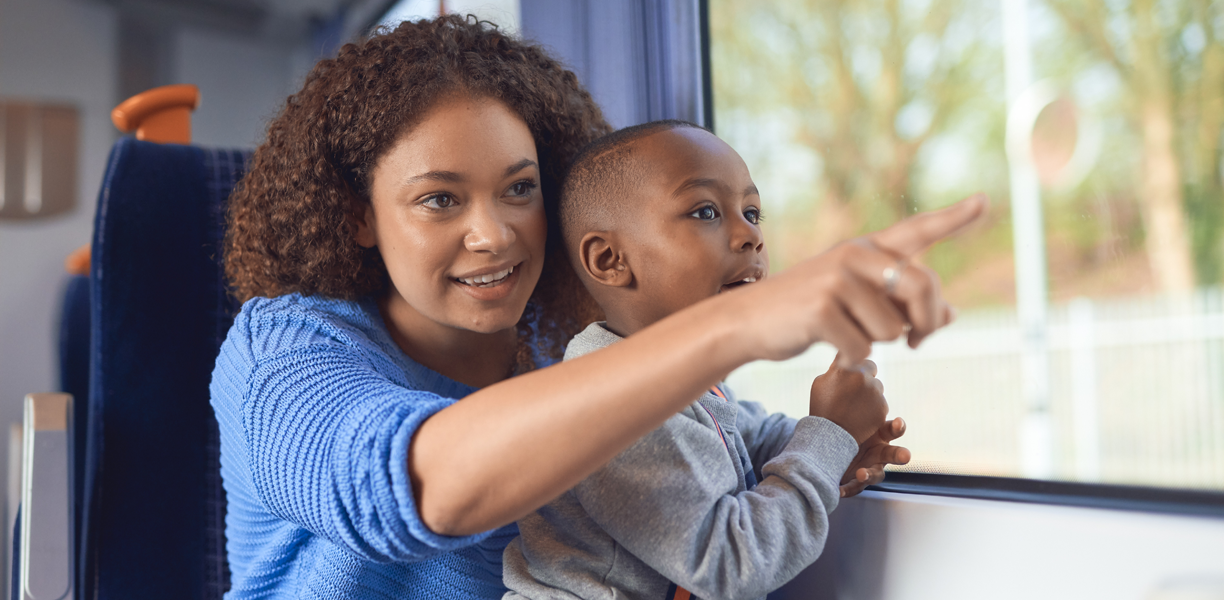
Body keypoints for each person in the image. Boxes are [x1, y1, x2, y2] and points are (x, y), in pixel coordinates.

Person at [212, 15, 986, 600]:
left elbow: (722, 444)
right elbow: (417, 490)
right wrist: (740, 322)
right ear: (357, 216)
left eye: (520, 189)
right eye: (440, 199)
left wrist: (831, 443)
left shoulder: (568, 343)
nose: (494, 234)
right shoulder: (283, 352)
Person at [502, 120, 910, 600]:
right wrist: (826, 438)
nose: (749, 236)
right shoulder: (609, 407)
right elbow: (730, 564)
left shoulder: (679, 377)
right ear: (610, 258)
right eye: (706, 212)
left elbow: (743, 439)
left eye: (753, 212)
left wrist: (840, 448)